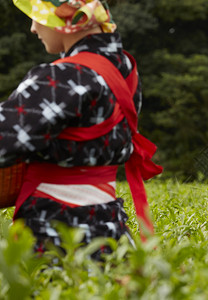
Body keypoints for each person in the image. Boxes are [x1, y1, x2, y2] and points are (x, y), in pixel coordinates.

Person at [2, 0, 162, 258]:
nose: (33, 27)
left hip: (55, 232)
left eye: (39, 17)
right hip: (110, 229)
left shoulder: (65, 76)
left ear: (69, 22)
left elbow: (4, 139)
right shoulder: (125, 68)